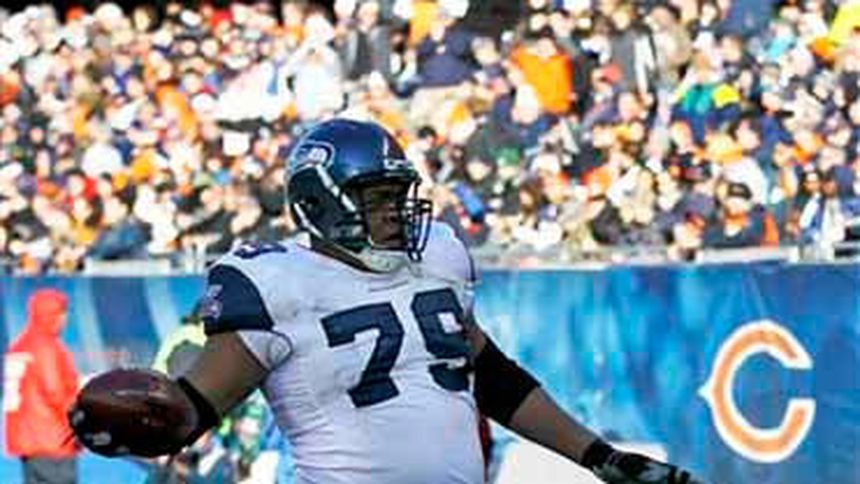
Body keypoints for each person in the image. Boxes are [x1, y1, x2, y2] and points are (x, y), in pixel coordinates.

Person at [70, 119, 703, 484]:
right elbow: (193, 408)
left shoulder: (440, 256)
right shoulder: (273, 280)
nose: (397, 214)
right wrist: (139, 417)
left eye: (397, 197)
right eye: (376, 199)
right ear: (319, 203)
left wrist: (600, 457)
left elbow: (493, 378)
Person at [5, 289, 79, 484]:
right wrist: (79, 427)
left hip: (28, 444)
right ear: (53, 315)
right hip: (52, 440)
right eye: (62, 313)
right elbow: (56, 393)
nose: (65, 319)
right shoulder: (46, 347)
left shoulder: (19, 346)